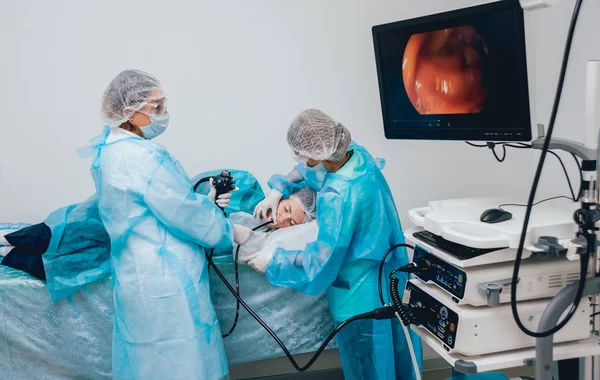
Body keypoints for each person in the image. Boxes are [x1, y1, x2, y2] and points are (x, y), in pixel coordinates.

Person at [81, 69, 247, 380]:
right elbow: (182, 213)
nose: (164, 113)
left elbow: (162, 207)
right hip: (164, 279)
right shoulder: (140, 157)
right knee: (183, 363)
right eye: (156, 107)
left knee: (148, 365)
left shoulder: (112, 150)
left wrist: (206, 203)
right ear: (130, 111)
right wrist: (229, 230)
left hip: (137, 274)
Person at [249, 109, 423, 380]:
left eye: (302, 154)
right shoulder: (354, 155)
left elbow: (322, 261)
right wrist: (278, 190)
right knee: (402, 358)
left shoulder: (337, 197)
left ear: (317, 155)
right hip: (391, 276)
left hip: (358, 295)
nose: (300, 160)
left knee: (370, 367)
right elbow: (308, 172)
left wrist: (275, 261)